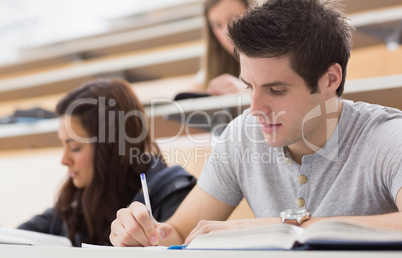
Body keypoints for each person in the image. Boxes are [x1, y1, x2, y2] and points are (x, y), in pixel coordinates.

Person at [109, 0, 402, 247]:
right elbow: (180, 232)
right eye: (249, 87)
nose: (255, 109)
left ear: (330, 79)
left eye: (276, 90)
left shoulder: (387, 136)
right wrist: (144, 233)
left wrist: (279, 226)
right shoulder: (242, 135)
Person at [18, 78, 196, 247]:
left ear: (110, 146)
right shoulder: (75, 203)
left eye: (74, 147)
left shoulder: (172, 193)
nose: (64, 160)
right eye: (63, 145)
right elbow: (13, 237)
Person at [191, 0, 254, 96]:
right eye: (218, 25)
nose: (226, 33)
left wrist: (246, 91)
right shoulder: (215, 65)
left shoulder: (276, 57)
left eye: (234, 19)